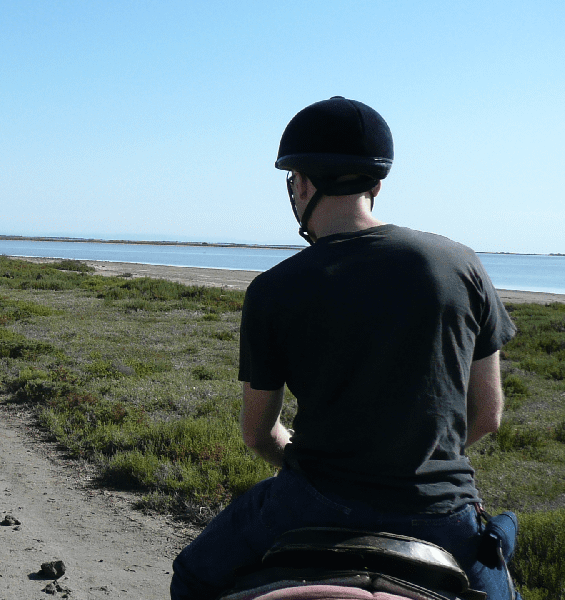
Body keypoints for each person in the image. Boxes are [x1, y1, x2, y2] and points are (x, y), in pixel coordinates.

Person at [169, 97, 518, 600]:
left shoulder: (273, 289)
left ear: (304, 184)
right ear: (377, 184)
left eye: (292, 183)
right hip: (443, 514)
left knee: (194, 578)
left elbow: (257, 431)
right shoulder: (461, 265)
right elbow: (487, 415)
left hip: (309, 502)